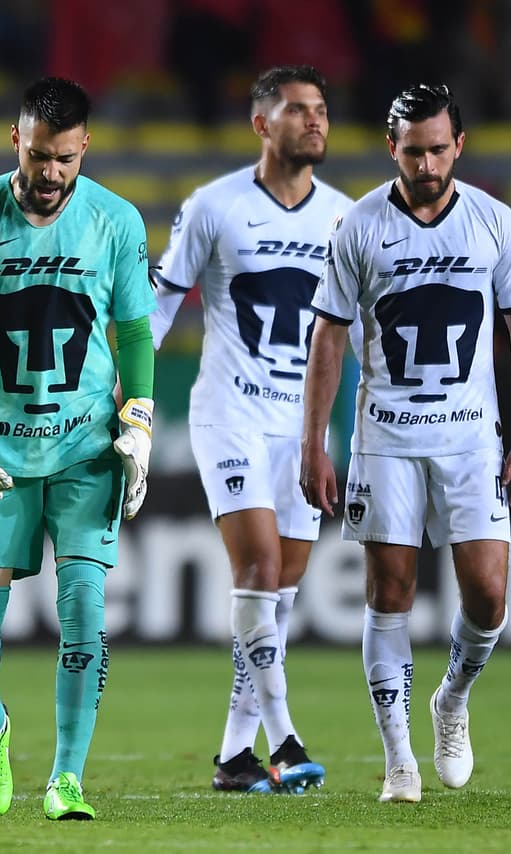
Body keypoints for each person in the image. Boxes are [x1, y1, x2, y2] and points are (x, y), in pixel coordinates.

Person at [300, 84, 511, 803]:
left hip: (471, 440)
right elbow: (330, 337)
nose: (428, 162)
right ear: (392, 149)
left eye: (440, 148)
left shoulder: (495, 224)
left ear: (459, 146)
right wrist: (316, 442)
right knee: (390, 591)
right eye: (414, 150)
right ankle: (398, 757)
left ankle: (452, 699)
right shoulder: (359, 226)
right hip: (388, 437)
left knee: (490, 595)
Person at [0, 77, 156, 821]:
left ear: (84, 146)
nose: (49, 174)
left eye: (63, 158)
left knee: (86, 608)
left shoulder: (116, 221)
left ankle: (66, 778)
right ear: (14, 140)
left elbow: (136, 331)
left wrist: (140, 419)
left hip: (86, 448)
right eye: (37, 156)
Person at [150, 65, 349, 795]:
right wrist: (129, 392)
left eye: (322, 110)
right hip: (230, 412)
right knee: (260, 570)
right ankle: (286, 741)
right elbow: (163, 302)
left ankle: (236, 756)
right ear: (263, 124)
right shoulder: (214, 205)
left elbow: (356, 331)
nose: (315, 121)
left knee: (280, 591)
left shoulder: (344, 217)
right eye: (298, 110)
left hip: (301, 427)